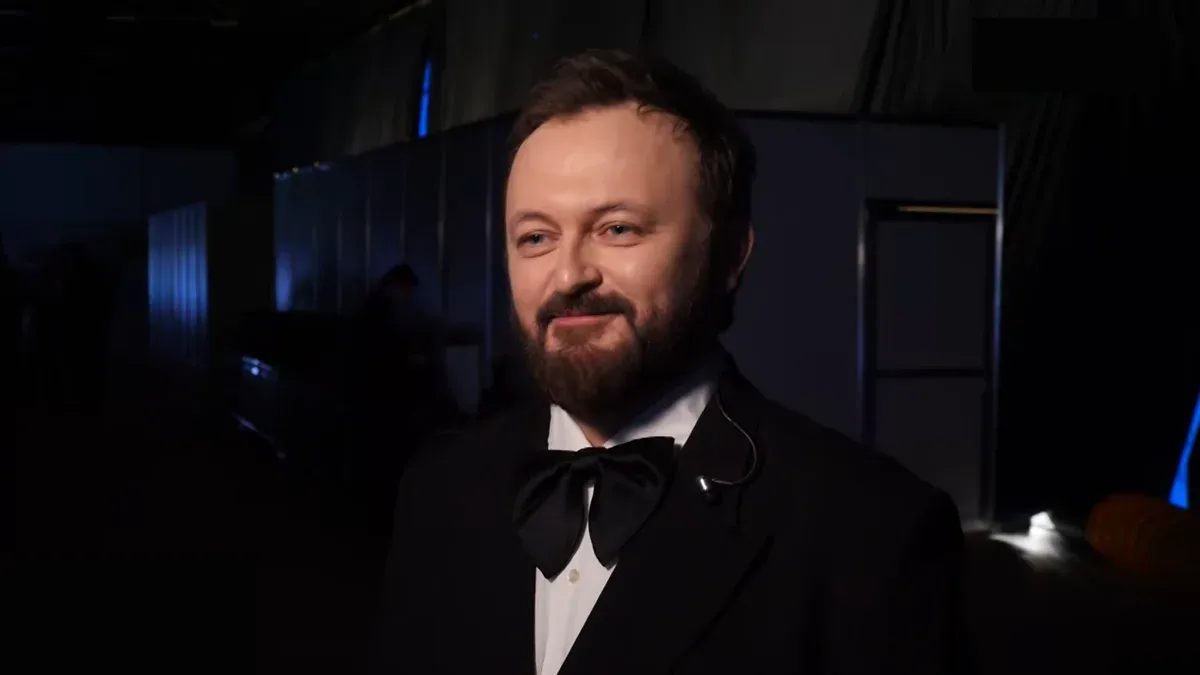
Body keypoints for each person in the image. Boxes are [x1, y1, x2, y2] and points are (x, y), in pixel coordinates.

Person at [370, 50, 968, 675]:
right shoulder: (439, 488)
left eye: (618, 229)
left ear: (728, 256)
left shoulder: (871, 531)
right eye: (536, 237)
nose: (568, 276)